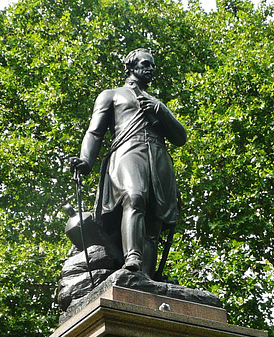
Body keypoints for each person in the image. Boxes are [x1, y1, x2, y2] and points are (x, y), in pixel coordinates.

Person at [70, 48, 187, 277]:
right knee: (134, 196)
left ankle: (146, 276)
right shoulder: (111, 95)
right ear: (131, 67)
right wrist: (86, 160)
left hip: (158, 156)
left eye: (152, 65)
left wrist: (160, 110)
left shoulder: (156, 103)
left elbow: (180, 137)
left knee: (155, 219)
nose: (150, 68)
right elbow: (95, 132)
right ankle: (132, 257)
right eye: (145, 64)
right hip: (128, 150)